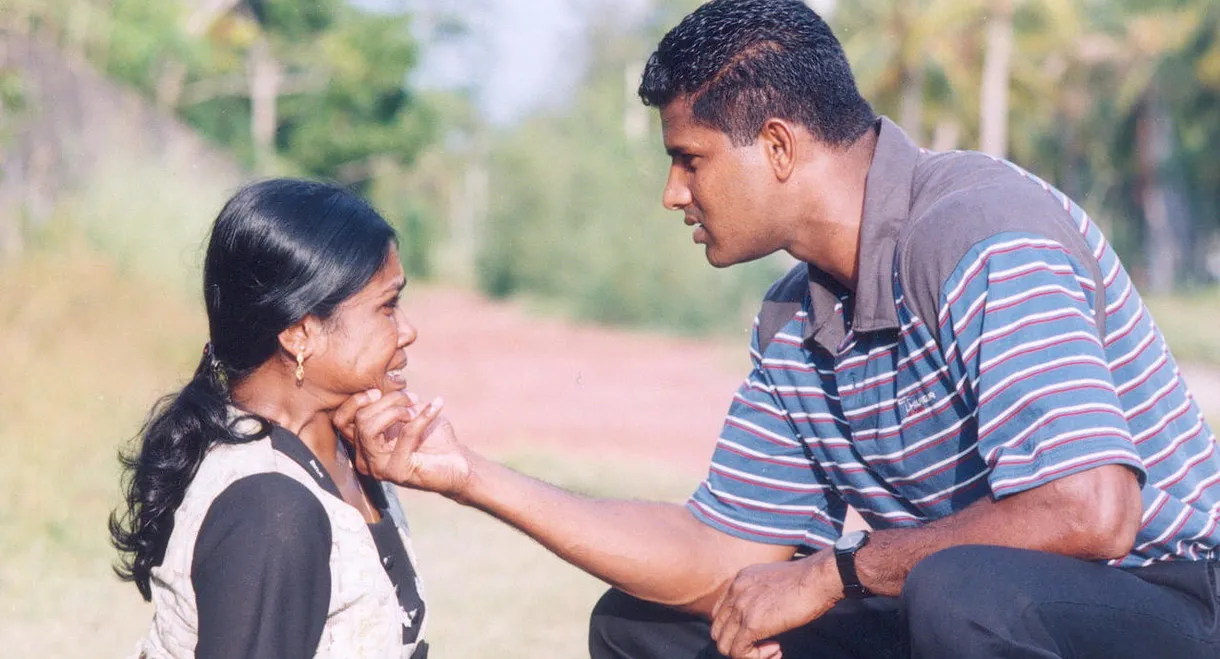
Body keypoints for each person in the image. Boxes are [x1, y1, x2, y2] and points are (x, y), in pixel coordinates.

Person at [340, 1, 1220, 657]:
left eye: (688, 159)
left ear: (778, 145)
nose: (672, 193)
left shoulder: (983, 229)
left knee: (960, 594)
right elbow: (718, 552)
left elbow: (1091, 510)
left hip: (1158, 594)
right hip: (951, 602)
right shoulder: (795, 319)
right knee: (647, 628)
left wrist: (838, 573)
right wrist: (468, 476)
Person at [110, 178, 441, 659]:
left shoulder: (346, 450)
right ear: (301, 333)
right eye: (387, 307)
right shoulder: (271, 506)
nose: (407, 331)